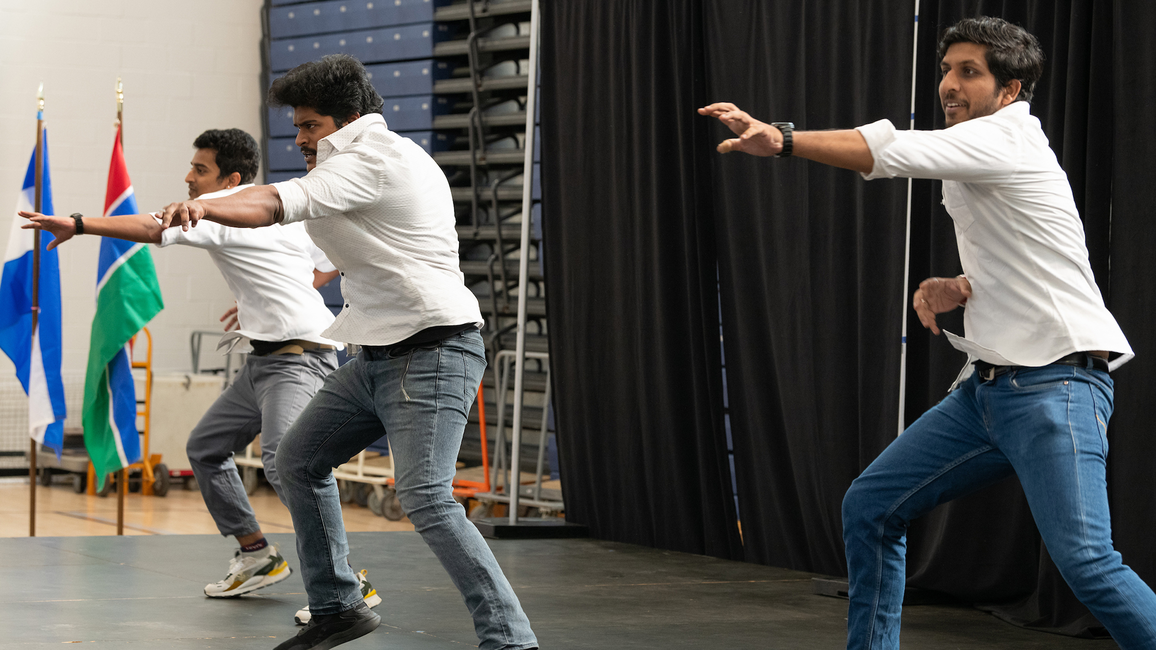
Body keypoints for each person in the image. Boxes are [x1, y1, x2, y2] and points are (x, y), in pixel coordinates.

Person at [701, 15, 1156, 650]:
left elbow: (892, 150)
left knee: (1087, 563)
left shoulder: (1007, 139)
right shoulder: (982, 147)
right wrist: (961, 286)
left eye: (968, 72)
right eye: (946, 70)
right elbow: (1033, 252)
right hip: (988, 392)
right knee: (872, 507)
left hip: (1056, 388)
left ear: (1010, 90)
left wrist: (781, 138)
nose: (948, 84)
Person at [142, 55, 537, 650]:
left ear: (350, 118)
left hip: (432, 351)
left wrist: (203, 206)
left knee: (425, 496)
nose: (300, 138)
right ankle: (337, 606)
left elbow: (275, 204)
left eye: (310, 126)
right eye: (296, 127)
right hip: (375, 356)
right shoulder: (351, 163)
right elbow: (359, 240)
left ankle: (509, 638)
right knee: (297, 463)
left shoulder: (371, 159)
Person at [20, 128, 381, 625]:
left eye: (201, 170)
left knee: (287, 463)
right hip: (264, 360)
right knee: (206, 447)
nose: (189, 178)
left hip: (300, 360)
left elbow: (152, 229)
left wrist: (80, 224)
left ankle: (347, 581)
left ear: (230, 180)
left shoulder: (219, 211)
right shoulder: (278, 212)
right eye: (191, 168)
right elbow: (324, 265)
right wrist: (265, 295)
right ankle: (256, 553)